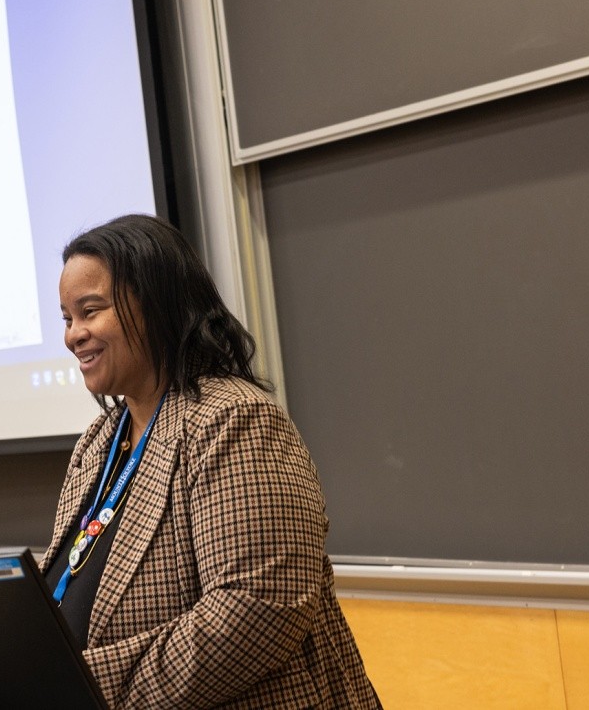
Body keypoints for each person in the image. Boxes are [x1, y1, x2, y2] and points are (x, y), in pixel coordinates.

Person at [42, 214, 380, 709]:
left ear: (156, 304)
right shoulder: (97, 443)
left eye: (90, 311)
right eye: (68, 319)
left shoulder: (233, 419)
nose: (74, 335)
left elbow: (260, 607)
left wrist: (84, 685)